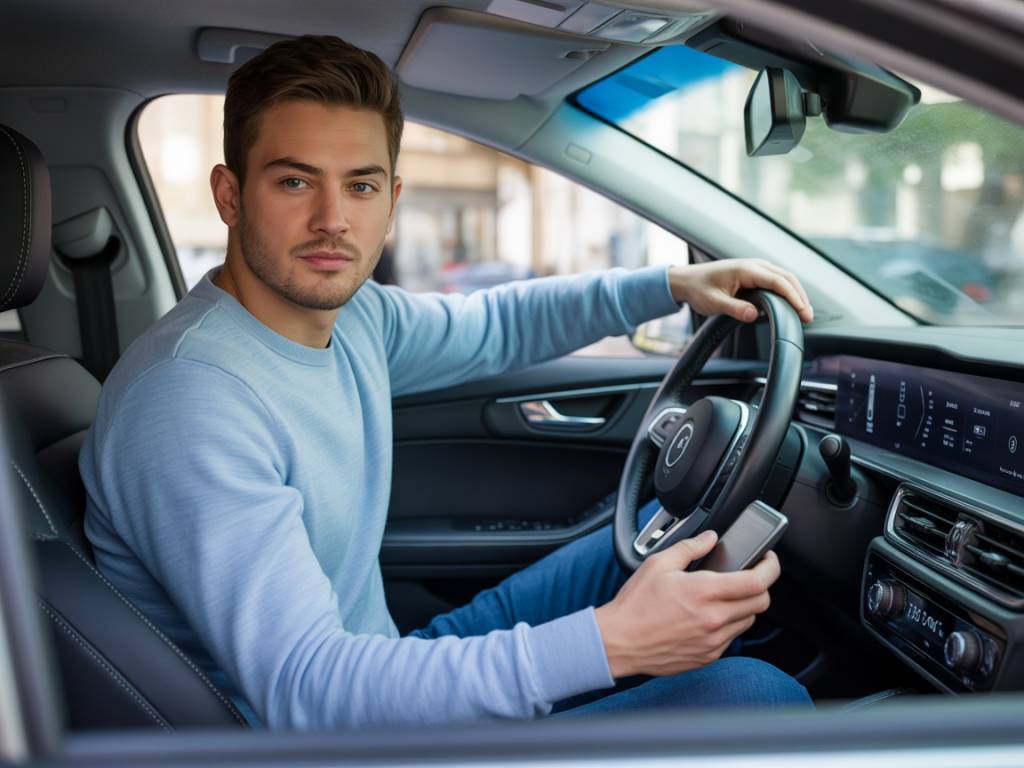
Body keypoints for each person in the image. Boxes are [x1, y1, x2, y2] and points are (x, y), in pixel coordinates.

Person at [80, 35, 815, 731]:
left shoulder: (355, 316)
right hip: (330, 739)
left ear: (391, 201)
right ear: (231, 195)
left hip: (388, 660)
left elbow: (496, 326)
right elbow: (310, 692)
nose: (332, 220)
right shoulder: (188, 399)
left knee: (661, 537)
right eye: (295, 180)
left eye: (360, 185)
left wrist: (671, 283)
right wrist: (615, 644)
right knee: (759, 697)